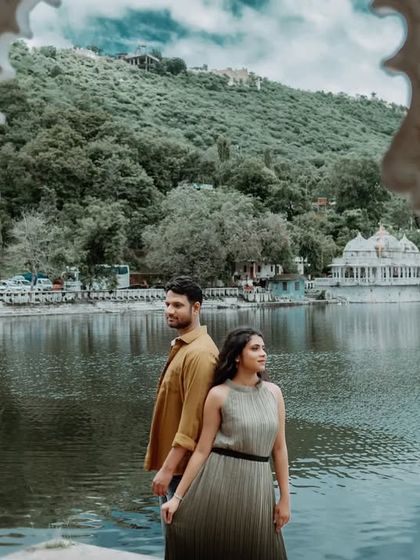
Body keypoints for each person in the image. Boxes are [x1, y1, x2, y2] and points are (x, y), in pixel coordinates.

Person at [162, 327, 290, 560]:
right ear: (237, 356)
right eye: (255, 348)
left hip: (258, 485)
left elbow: (279, 449)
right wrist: (177, 498)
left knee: (260, 547)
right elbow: (202, 450)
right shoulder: (218, 394)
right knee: (219, 546)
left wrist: (284, 498)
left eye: (263, 348)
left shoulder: (274, 393)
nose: (263, 353)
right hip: (218, 481)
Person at [144, 276, 219, 510]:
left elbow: (192, 421)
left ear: (196, 308)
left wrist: (167, 470)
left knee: (185, 544)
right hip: (175, 468)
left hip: (184, 472)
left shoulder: (201, 354)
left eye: (177, 305)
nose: (169, 311)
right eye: (167, 304)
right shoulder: (185, 347)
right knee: (175, 545)